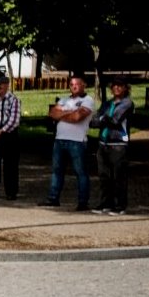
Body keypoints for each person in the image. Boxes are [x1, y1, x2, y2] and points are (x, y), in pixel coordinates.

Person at [39, 75, 95, 211]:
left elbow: (77, 117)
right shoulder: (64, 99)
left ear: (83, 85)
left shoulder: (88, 100)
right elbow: (52, 113)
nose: (73, 86)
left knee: (80, 172)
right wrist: (69, 112)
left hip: (77, 141)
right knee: (57, 171)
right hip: (60, 139)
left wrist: (62, 113)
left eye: (77, 84)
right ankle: (53, 198)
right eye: (71, 84)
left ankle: (83, 202)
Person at [90, 77, 135, 215]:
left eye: (120, 86)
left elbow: (115, 120)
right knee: (104, 176)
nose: (116, 88)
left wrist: (102, 118)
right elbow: (93, 122)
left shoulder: (127, 103)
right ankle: (106, 203)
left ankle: (120, 204)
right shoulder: (107, 104)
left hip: (118, 143)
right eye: (114, 85)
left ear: (125, 88)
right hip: (103, 142)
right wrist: (102, 119)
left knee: (118, 176)